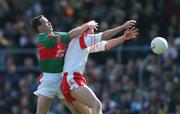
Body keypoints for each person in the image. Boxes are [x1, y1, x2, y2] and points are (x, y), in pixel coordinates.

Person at [61, 24, 139, 114]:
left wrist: (124, 37)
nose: (94, 32)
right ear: (84, 31)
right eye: (92, 29)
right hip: (72, 79)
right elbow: (104, 36)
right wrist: (122, 27)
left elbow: (106, 45)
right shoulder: (82, 39)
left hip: (69, 80)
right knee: (96, 105)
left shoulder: (84, 44)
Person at [31, 15, 99, 114]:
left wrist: (87, 29)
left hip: (63, 78)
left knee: (78, 111)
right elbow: (70, 35)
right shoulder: (46, 38)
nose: (49, 23)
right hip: (49, 80)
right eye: (46, 22)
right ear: (39, 27)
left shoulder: (55, 34)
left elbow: (72, 34)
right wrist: (87, 25)